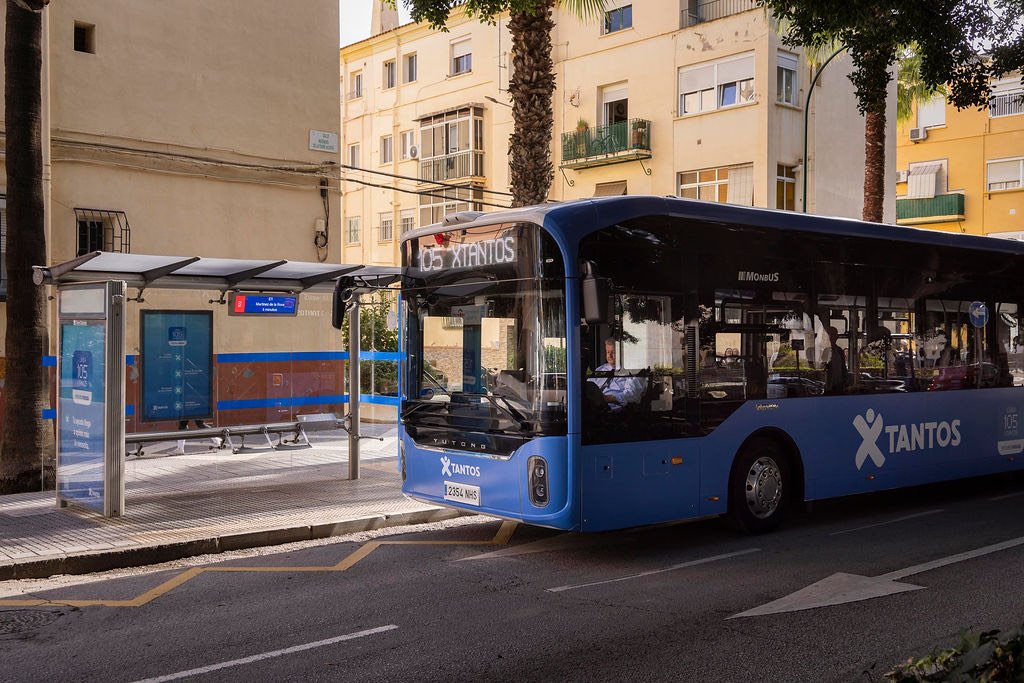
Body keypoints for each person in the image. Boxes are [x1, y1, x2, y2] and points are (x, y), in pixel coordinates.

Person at [588, 338, 645, 411]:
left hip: (616, 413)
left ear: (622, 353)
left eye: (613, 352)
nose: (610, 356)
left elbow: (632, 395)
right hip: (594, 407)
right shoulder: (600, 369)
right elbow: (588, 387)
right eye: (608, 352)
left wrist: (607, 398)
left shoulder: (634, 371)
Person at [823, 326, 848, 394]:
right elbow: (821, 368)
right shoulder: (824, 350)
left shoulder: (839, 350)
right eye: (831, 334)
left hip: (839, 385)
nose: (833, 337)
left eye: (834, 334)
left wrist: (845, 380)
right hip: (828, 386)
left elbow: (843, 367)